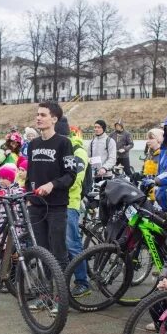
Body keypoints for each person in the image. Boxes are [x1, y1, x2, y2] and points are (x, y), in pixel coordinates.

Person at [26, 101, 76, 281]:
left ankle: (60, 296)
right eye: (37, 114)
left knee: (58, 252)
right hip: (36, 207)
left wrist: (52, 185)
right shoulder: (33, 144)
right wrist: (29, 197)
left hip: (56, 207)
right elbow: (29, 174)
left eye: (43, 115)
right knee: (41, 251)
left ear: (54, 119)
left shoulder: (64, 143)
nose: (38, 118)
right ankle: (44, 295)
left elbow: (71, 175)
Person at [66, 126, 90, 298]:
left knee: (72, 243)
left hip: (70, 203)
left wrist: (54, 186)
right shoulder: (62, 147)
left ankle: (82, 282)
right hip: (56, 202)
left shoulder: (78, 151)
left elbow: (75, 180)